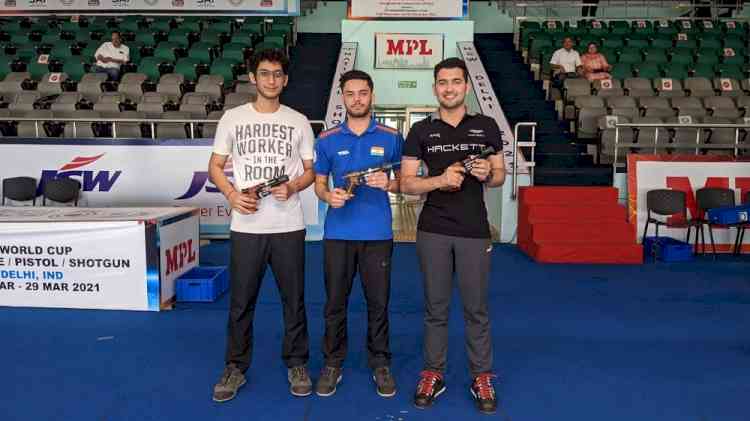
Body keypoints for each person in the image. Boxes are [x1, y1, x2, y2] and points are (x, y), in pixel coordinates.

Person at [208, 49, 315, 403]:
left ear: (285, 79)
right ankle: (235, 367)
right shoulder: (232, 118)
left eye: (278, 74)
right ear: (253, 77)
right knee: (241, 303)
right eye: (265, 73)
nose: (272, 79)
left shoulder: (299, 120)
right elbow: (216, 165)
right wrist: (231, 194)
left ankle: (297, 363)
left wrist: (294, 185)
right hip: (247, 227)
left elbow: (310, 171)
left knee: (294, 301)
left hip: (288, 225)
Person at [400, 57, 506, 415]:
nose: (449, 88)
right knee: (436, 309)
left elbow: (501, 176)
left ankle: (482, 375)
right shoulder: (420, 131)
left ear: (466, 86)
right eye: (442, 82)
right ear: (435, 88)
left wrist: (486, 172)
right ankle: (433, 372)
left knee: (476, 309)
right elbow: (406, 184)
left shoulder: (487, 126)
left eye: (456, 82)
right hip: (433, 230)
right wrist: (440, 181)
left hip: (475, 231)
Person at [313, 70, 402, 398]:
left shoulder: (392, 137)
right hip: (338, 234)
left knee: (378, 303)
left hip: (378, 235)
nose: (357, 99)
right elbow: (320, 184)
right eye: (350, 94)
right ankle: (333, 362)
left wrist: (389, 184)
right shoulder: (327, 140)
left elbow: (406, 182)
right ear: (343, 98)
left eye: (363, 93)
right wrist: (328, 196)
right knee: (335, 303)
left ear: (372, 96)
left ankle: (380, 362)